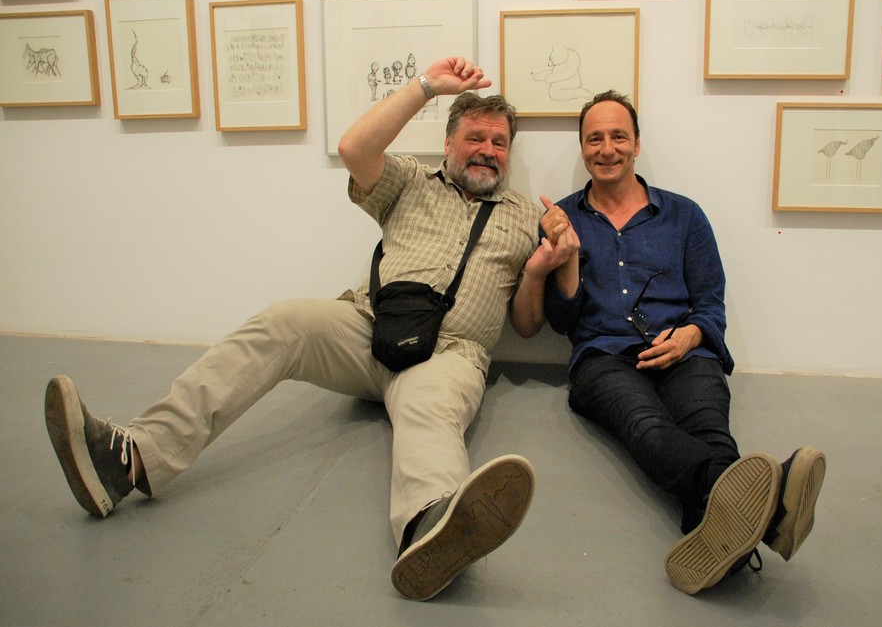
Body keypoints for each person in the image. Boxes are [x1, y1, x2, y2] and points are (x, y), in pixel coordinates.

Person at [44, 56, 571, 602]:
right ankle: (133, 458)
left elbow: (527, 325)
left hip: (450, 355)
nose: (487, 150)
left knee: (429, 409)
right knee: (284, 320)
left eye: (500, 142)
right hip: (367, 328)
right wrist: (426, 86)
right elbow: (354, 148)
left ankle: (430, 526)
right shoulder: (412, 182)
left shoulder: (524, 216)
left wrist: (538, 270)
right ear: (448, 143)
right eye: (475, 137)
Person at [538, 90, 827, 595]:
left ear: (637, 144)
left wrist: (690, 335)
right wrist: (565, 257)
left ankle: (717, 539)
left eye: (618, 136)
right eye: (594, 138)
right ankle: (773, 509)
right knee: (647, 427)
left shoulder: (684, 215)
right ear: (583, 148)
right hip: (602, 358)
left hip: (685, 350)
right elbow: (562, 322)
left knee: (709, 430)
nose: (607, 148)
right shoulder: (561, 219)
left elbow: (710, 303)